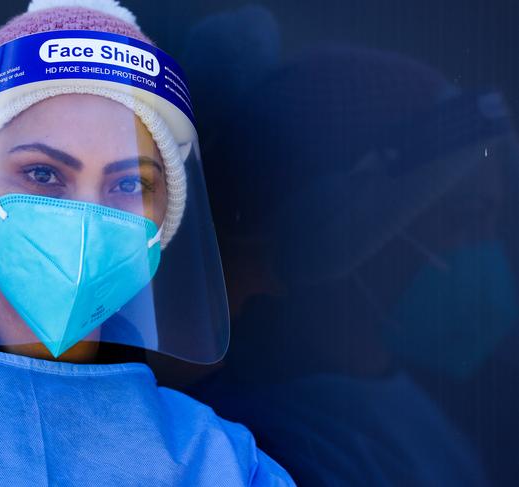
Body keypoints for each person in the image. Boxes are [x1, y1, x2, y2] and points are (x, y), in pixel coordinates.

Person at [0, 1, 295, 485]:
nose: (87, 220)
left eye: (130, 184)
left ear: (164, 220)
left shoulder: (228, 465)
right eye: (43, 173)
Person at [189, 44, 519, 485]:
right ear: (338, 233)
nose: (487, 252)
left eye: (494, 220)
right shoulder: (269, 449)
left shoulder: (399, 403)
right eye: (467, 217)